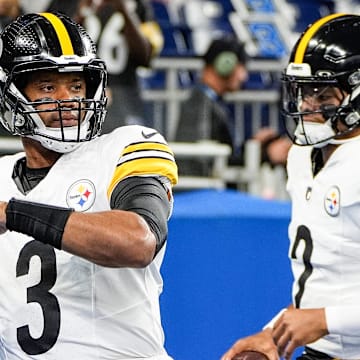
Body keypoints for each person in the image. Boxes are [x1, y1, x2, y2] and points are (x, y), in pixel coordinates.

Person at [0, 12, 177, 359]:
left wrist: (13, 213)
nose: (68, 100)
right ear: (12, 94)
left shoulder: (127, 146)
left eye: (77, 85)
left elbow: (138, 242)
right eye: (48, 86)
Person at [221, 13, 360, 360]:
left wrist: (327, 320)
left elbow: (325, 315)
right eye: (303, 93)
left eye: (323, 94)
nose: (308, 107)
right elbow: (325, 284)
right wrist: (276, 332)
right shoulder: (302, 157)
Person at [77, 0, 164, 132]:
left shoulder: (140, 6)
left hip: (124, 95)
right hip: (81, 95)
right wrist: (81, 14)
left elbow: (146, 57)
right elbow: (51, 47)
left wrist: (125, 12)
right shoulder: (70, 3)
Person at [174, 34, 249, 176]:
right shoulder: (199, 105)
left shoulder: (208, 102)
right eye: (241, 67)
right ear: (225, 63)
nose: (244, 76)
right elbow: (194, 162)